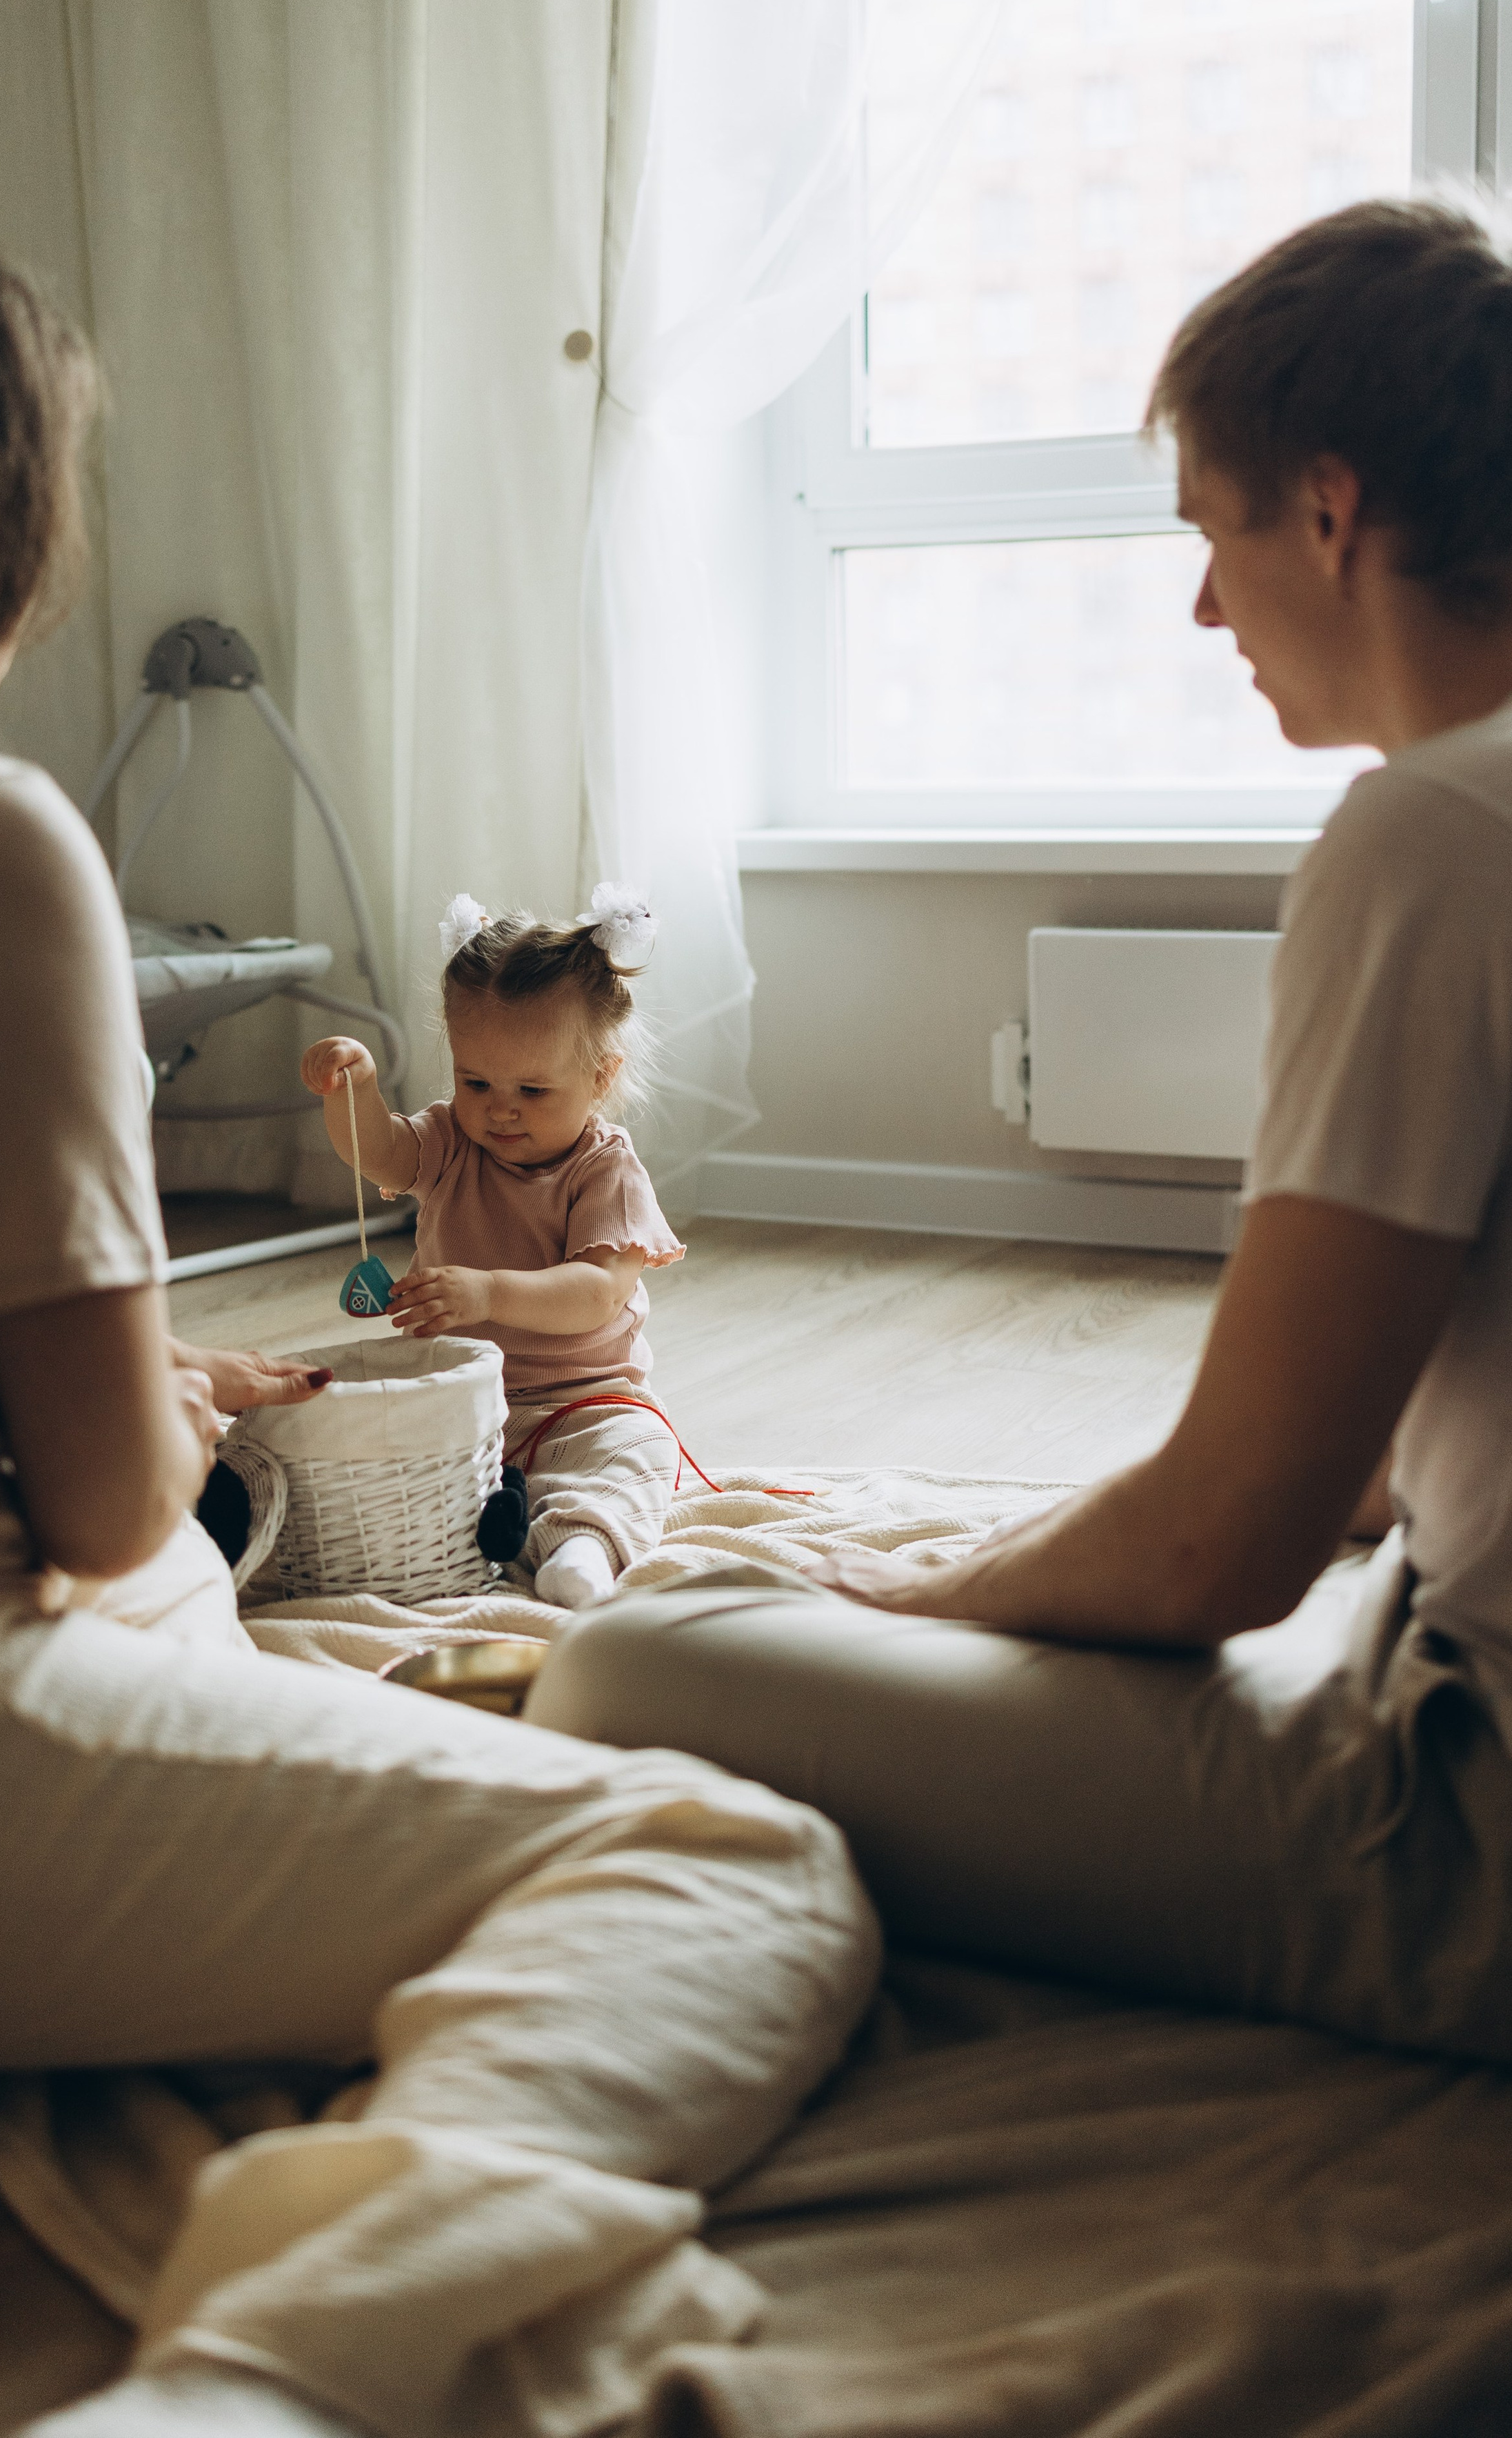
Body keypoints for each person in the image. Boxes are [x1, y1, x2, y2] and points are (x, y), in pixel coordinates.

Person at [0, 221, 878, 2438]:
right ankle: (261, 2381)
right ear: (2, 536)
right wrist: (140, 1418)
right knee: (730, 1862)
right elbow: (84, 1505)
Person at [531, 196, 1512, 2066]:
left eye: (1217, 536)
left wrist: (917, 1594)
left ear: (1330, 509)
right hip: (1417, 1644)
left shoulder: (1435, 841)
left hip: (1464, 1840)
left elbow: (1222, 1549)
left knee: (627, 1656)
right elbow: (1383, 1463)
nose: (1206, 606)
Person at [300, 895, 685, 1610]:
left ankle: (581, 1545)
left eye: (532, 1090)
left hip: (581, 1405)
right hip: (458, 1399)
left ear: (601, 1077)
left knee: (637, 1455)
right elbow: (381, 1155)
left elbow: (596, 1291)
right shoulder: (452, 1138)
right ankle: (464, 1528)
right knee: (363, 1447)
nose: (499, 1109)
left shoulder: (606, 1169)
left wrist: (486, 1294)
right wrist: (352, 1093)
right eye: (476, 1082)